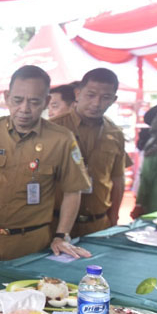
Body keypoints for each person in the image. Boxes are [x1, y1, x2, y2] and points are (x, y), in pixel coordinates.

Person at [0, 65, 91, 272]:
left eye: (34, 102)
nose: (25, 109)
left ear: (45, 102)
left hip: (31, 243)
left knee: (27, 301)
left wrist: (62, 235)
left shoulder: (61, 139)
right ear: (7, 97)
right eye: (18, 100)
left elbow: (73, 190)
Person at [50, 68, 126, 237]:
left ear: (113, 100)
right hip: (54, 225)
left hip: (97, 225)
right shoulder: (52, 128)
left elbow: (117, 179)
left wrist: (114, 219)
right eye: (90, 95)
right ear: (77, 93)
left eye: (105, 97)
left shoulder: (115, 134)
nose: (96, 103)